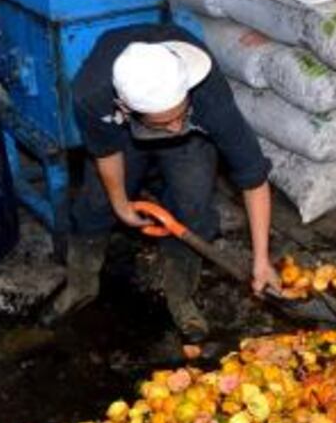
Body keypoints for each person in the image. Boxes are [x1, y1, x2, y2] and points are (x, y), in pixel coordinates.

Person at [43, 24, 278, 341]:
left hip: (195, 132)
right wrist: (120, 204)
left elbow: (253, 177)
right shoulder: (92, 95)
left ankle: (180, 296)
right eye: (166, 122)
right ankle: (80, 285)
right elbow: (107, 153)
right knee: (96, 203)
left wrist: (261, 260)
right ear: (126, 108)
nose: (176, 127)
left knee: (193, 205)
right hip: (122, 134)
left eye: (180, 114)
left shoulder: (208, 94)